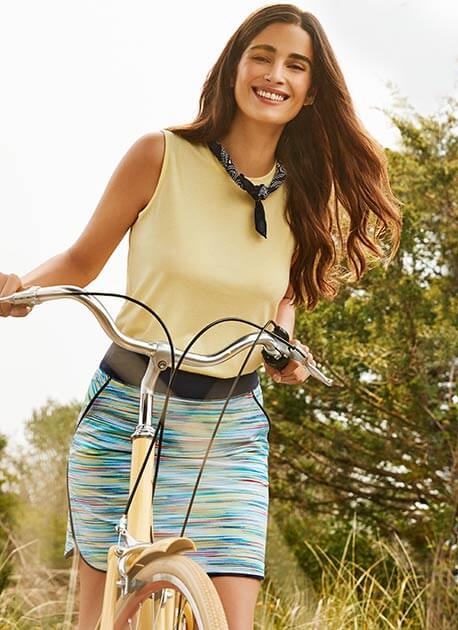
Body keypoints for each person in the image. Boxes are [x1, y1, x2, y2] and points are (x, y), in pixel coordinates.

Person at [0, 4, 401, 628]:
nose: (276, 74)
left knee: (230, 620)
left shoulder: (306, 196)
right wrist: (22, 287)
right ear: (235, 67)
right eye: (262, 56)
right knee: (102, 618)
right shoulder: (159, 156)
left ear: (311, 92)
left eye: (295, 65)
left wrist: (284, 346)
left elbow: (283, 296)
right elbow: (81, 260)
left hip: (228, 429)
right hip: (127, 413)